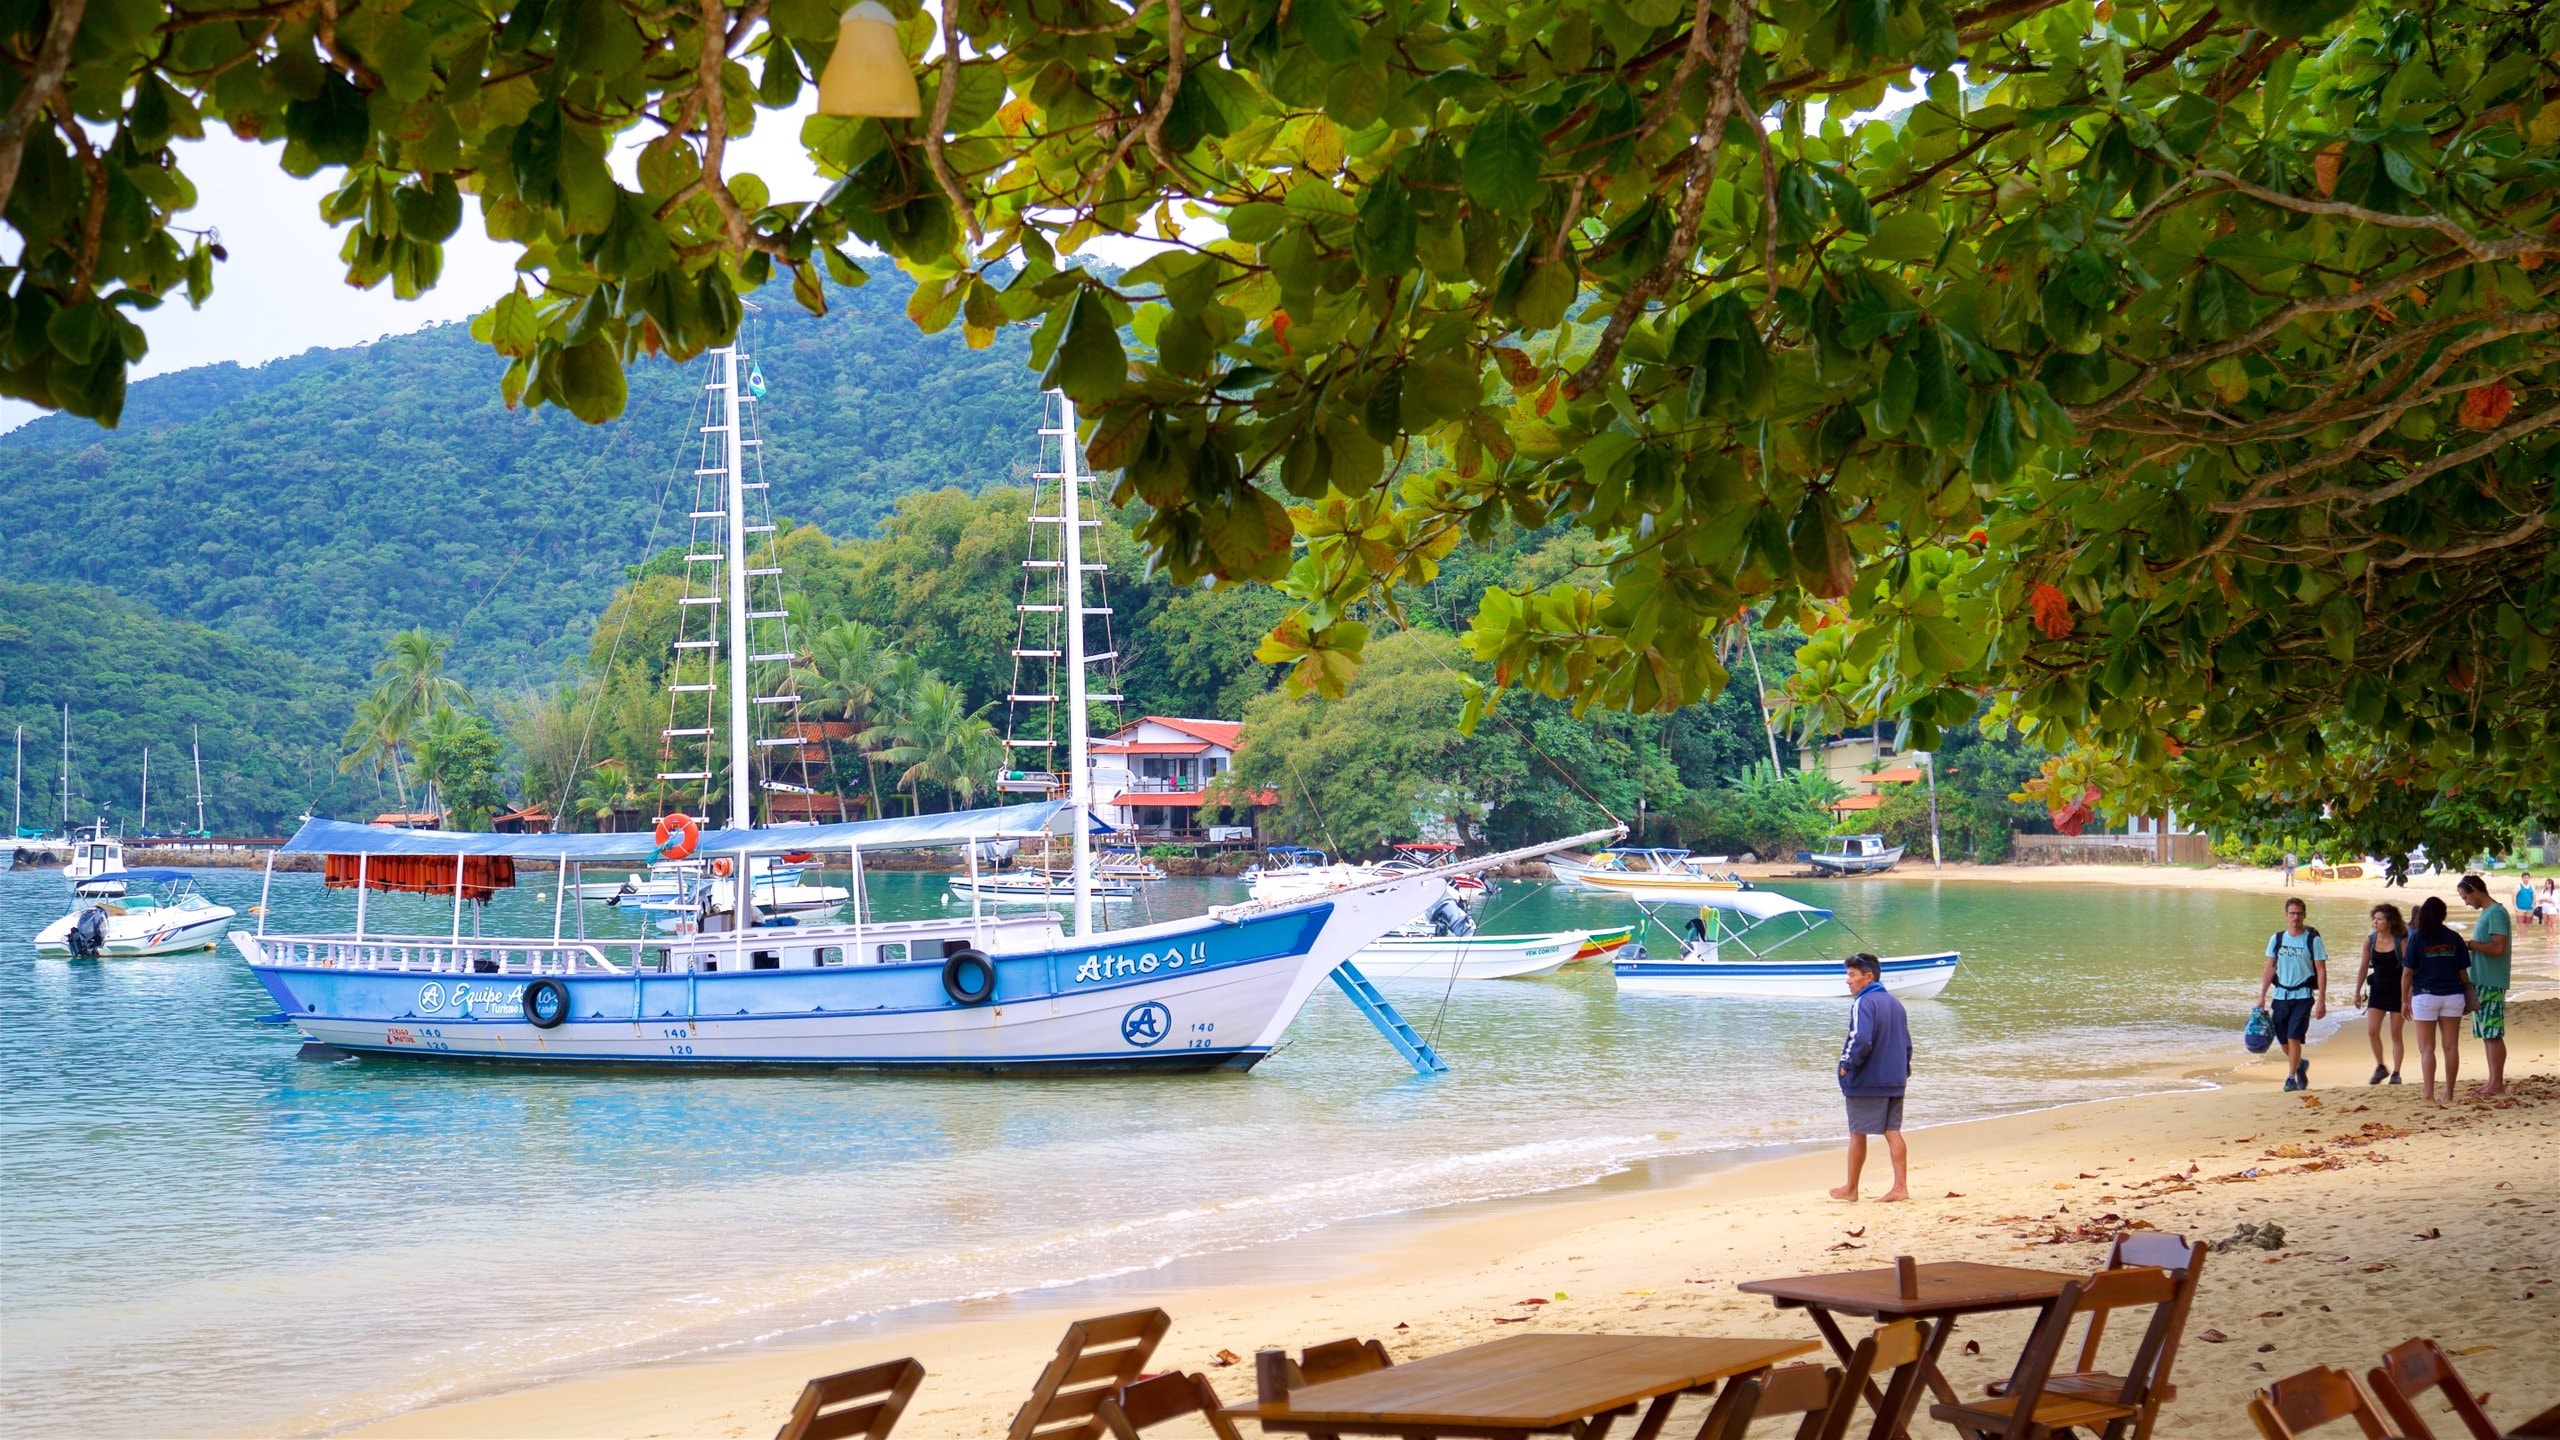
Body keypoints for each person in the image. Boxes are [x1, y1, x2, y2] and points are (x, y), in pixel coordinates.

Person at [1831, 953, 1910, 1204]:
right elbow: (1907, 1044)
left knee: (1857, 1132)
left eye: (1852, 975)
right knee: (1892, 1130)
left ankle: (1851, 1188)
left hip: (1868, 1080)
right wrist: (1903, 1070)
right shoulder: (1895, 1003)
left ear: (1869, 977)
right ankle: (1900, 1187)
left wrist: (1847, 1064)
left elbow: (1861, 1039)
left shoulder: (1863, 1003)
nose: (1848, 981)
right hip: (1895, 1079)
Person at [2255, 896, 2328, 1090]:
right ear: (2286, 915)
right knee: (2283, 1039)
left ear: (2304, 915)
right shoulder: (2277, 939)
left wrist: (2322, 1000)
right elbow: (2270, 967)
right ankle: (2300, 1064)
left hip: (2303, 996)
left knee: (2294, 1035)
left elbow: (2321, 970)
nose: (2295, 917)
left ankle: (2290, 1078)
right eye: (2292, 913)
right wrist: (2261, 995)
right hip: (2280, 996)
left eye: (2298, 913)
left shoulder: (2313, 940)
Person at [2406, 896, 2471, 1107]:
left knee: (2427, 1049)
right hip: (2453, 995)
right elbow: (2463, 973)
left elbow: (2407, 973)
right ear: (2444, 915)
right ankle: (2449, 1093)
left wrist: (2403, 1000)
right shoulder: (2454, 937)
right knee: (2451, 1047)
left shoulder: (2417, 938)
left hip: (2425, 995)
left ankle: (2428, 1094)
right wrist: (2467, 992)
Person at [2457, 874, 2512, 1097]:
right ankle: (2492, 1082)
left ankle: (2497, 1083)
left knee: (2493, 1033)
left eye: (2465, 897)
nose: (2466, 902)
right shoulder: (2487, 913)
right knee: (2487, 1034)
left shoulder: (2496, 912)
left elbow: (2499, 947)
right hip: (2481, 981)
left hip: (2491, 980)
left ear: (2475, 890)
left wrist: (2470, 945)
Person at [2352, 903, 2407, 1085]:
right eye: (2374, 919)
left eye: (2379, 919)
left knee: (2395, 1034)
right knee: (2372, 1031)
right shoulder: (2370, 941)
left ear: (2389, 921)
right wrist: (2357, 992)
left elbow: (2409, 970)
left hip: (2398, 992)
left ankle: (2396, 1073)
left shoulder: (2401, 941)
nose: (2375, 922)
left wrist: (2408, 996)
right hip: (2377, 990)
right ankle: (2381, 1066)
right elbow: (2362, 968)